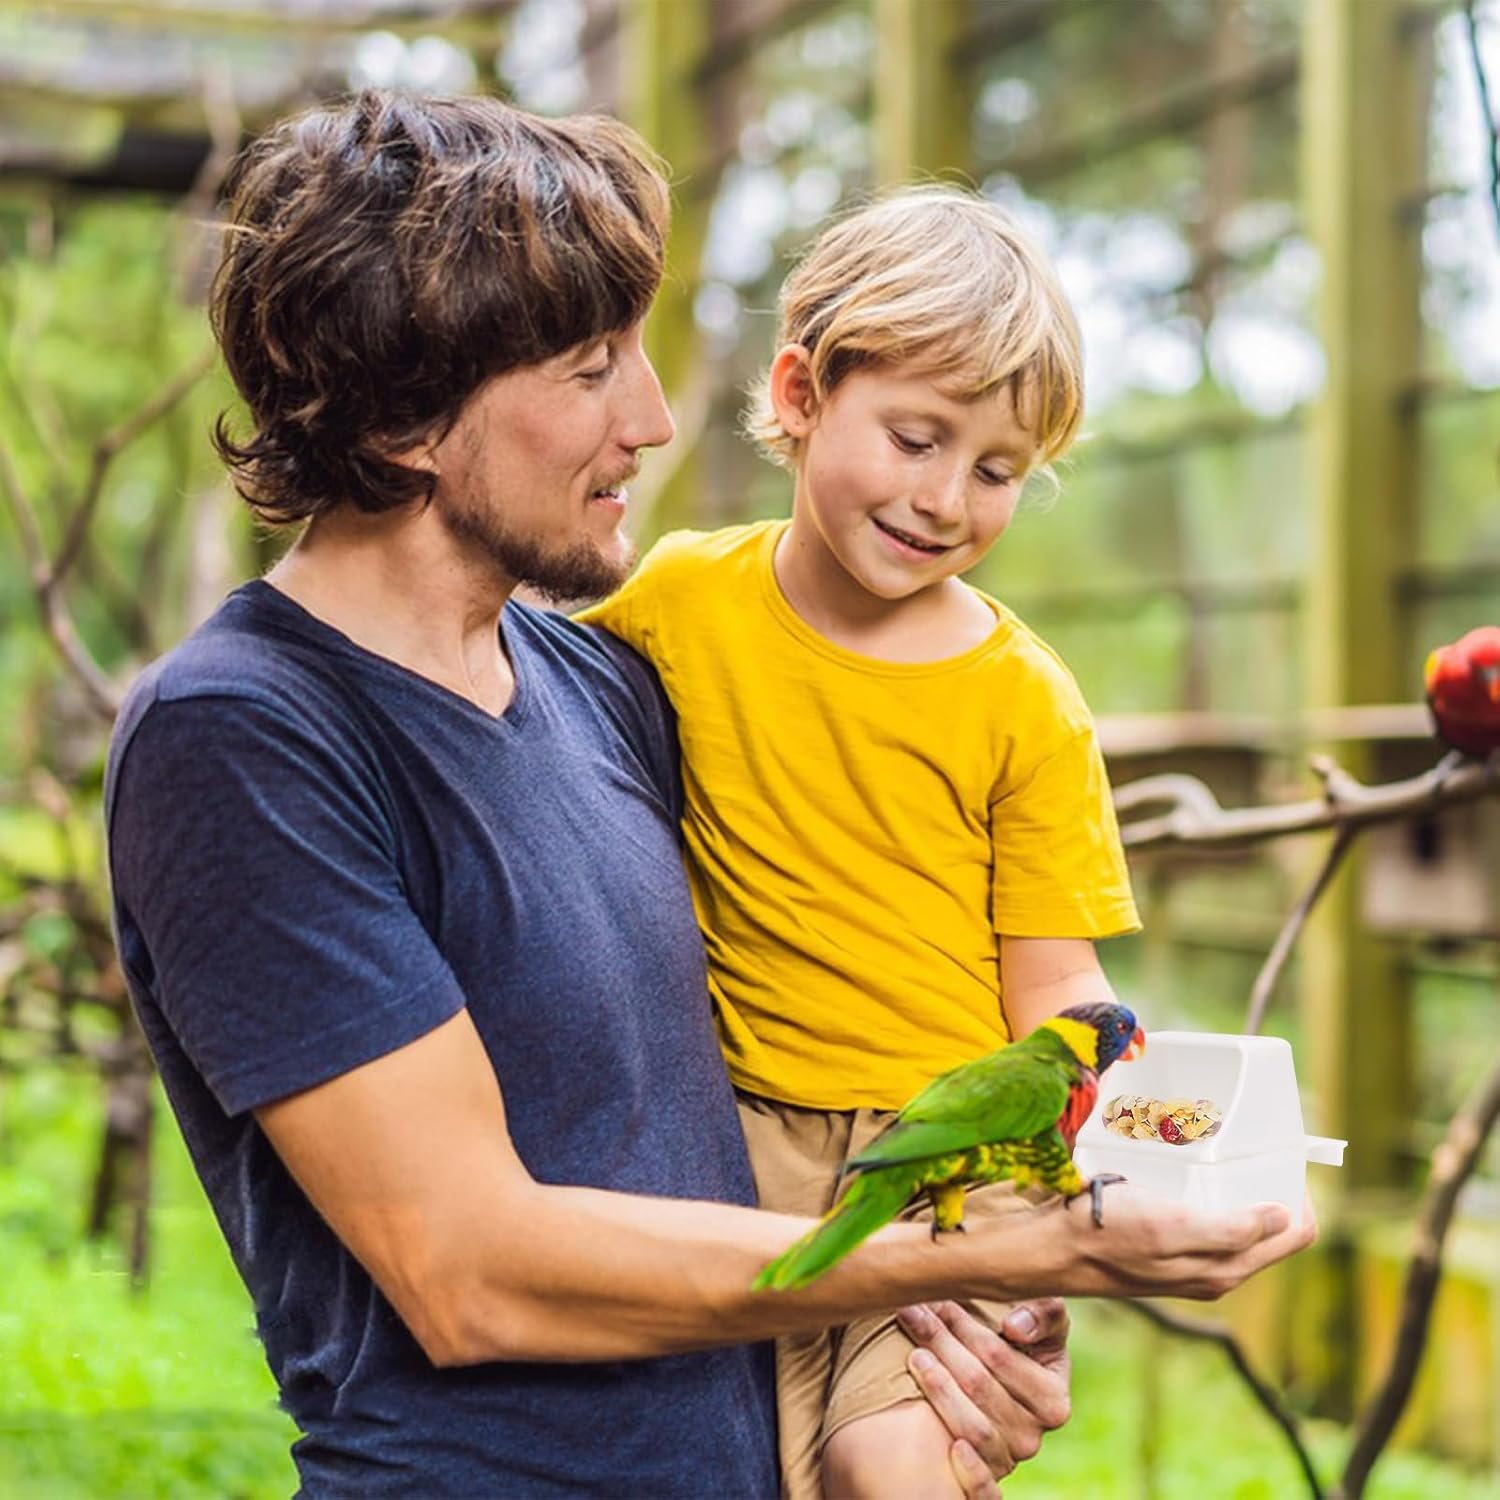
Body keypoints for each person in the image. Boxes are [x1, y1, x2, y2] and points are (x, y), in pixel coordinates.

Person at [104, 91, 1314, 1500]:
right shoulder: (245, 740)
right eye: (589, 366)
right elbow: (468, 1273)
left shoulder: (605, 682)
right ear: (408, 418)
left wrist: (967, 1320)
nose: (657, 418)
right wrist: (1010, 1251)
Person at [580, 187, 1143, 1498]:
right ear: (799, 392)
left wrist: (1128, 1145)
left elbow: (1054, 982)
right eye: (915, 437)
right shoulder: (673, 601)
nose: (947, 498)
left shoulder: (1023, 699)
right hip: (737, 1146)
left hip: (952, 1145)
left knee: (889, 1468)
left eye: (998, 470)